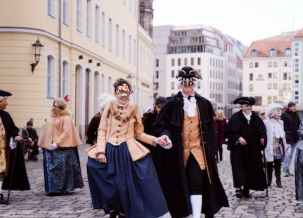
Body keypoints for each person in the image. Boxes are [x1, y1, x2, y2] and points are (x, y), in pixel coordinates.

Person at [87, 78, 171, 218]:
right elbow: (101, 130)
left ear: (130, 92)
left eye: (127, 92)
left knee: (129, 183)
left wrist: (156, 140)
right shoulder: (109, 106)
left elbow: (139, 133)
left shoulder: (134, 108)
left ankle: (126, 211)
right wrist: (101, 151)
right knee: (94, 167)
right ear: (115, 92)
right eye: (120, 91)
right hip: (110, 149)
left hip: (128, 150)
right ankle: (113, 207)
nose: (123, 95)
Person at [154, 66, 228, 218]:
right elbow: (161, 126)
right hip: (177, 153)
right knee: (178, 184)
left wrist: (212, 151)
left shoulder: (204, 104)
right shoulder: (170, 104)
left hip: (198, 151)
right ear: (180, 84)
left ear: (194, 84)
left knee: (197, 182)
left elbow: (211, 130)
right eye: (185, 85)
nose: (188, 88)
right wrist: (165, 135)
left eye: (190, 84)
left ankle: (196, 215)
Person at [38, 98, 84, 196]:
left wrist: (57, 143)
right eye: (53, 106)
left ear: (61, 108)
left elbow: (66, 132)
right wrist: (43, 143)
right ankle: (52, 189)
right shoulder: (52, 117)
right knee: (51, 169)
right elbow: (46, 130)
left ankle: (62, 189)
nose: (53, 108)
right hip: (49, 147)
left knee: (62, 169)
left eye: (56, 106)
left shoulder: (66, 118)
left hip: (63, 147)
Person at [226, 97, 267, 198]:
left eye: (250, 106)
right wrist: (238, 138)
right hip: (239, 150)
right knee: (239, 169)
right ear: (242, 106)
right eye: (246, 106)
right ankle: (238, 188)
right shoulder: (235, 118)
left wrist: (262, 137)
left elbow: (262, 130)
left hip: (253, 149)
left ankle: (247, 188)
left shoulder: (256, 118)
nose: (248, 107)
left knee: (251, 169)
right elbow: (229, 132)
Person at [0, 90, 30, 203]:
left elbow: (12, 128)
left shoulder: (5, 115)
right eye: (5, 101)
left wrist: (16, 135)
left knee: (2, 172)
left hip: (3, 150)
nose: (7, 104)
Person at [264, 103, 287, 188]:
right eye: (277, 111)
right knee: (269, 164)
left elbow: (282, 135)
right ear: (272, 112)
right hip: (269, 146)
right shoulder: (266, 122)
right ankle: (268, 180)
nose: (279, 113)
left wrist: (284, 145)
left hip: (278, 146)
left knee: (278, 164)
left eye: (280, 111)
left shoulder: (281, 122)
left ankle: (278, 180)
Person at [281, 102, 300, 176]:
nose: (294, 108)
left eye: (295, 106)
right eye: (293, 107)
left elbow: (299, 125)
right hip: (288, 137)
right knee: (287, 154)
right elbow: (283, 126)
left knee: (292, 155)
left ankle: (288, 170)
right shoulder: (284, 115)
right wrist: (286, 134)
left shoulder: (296, 114)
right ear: (289, 107)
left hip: (295, 137)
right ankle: (284, 170)